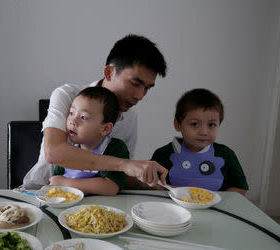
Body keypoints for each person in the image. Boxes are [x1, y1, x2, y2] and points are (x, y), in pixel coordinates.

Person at [23, 34, 168, 189]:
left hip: (96, 201)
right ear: (109, 73)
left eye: (147, 88)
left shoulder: (130, 116)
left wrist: (156, 186)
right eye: (135, 84)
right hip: (43, 189)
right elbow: (54, 152)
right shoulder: (67, 95)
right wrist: (125, 164)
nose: (140, 96)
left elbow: (119, 173)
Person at [151, 88, 248, 195]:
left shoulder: (226, 154)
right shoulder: (162, 154)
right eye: (195, 124)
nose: (204, 132)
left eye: (211, 125)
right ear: (177, 124)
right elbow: (151, 184)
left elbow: (240, 188)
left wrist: (216, 202)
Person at [49, 86, 129, 195]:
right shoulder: (67, 148)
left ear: (105, 129)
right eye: (72, 113)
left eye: (83, 117)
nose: (73, 121)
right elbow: (55, 180)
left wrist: (67, 183)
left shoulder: (115, 148)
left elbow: (110, 187)